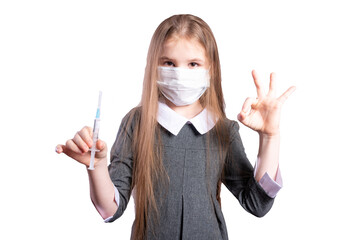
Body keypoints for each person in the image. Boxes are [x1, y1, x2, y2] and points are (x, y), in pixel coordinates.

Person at [56, 14, 295, 240]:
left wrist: (270, 137)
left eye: (193, 64)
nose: (180, 74)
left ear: (210, 68)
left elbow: (257, 203)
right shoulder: (136, 123)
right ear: (154, 66)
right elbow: (110, 209)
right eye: (169, 63)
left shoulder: (223, 130)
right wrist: (96, 166)